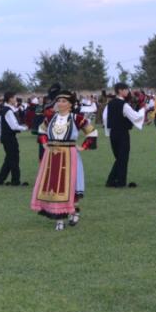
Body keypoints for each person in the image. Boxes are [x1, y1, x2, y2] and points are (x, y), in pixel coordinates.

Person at [31, 90, 98, 230]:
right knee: (54, 185)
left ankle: (74, 211)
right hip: (52, 155)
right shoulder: (50, 118)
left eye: (63, 101)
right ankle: (59, 219)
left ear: (70, 104)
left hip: (69, 155)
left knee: (69, 185)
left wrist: (83, 146)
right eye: (58, 101)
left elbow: (92, 132)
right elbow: (41, 130)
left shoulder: (77, 118)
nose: (60, 103)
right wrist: (44, 143)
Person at [103, 82, 146, 188]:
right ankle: (119, 182)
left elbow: (105, 118)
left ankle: (113, 180)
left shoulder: (110, 104)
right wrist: (143, 109)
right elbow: (136, 117)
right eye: (126, 89)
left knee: (119, 158)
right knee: (123, 157)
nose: (127, 91)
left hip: (113, 133)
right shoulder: (124, 105)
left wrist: (108, 132)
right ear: (120, 91)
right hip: (122, 133)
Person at [0, 91, 28, 186]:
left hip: (6, 137)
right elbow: (14, 126)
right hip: (9, 138)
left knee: (9, 159)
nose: (16, 99)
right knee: (14, 158)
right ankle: (15, 181)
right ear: (10, 99)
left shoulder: (4, 109)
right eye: (14, 98)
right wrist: (25, 128)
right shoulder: (8, 111)